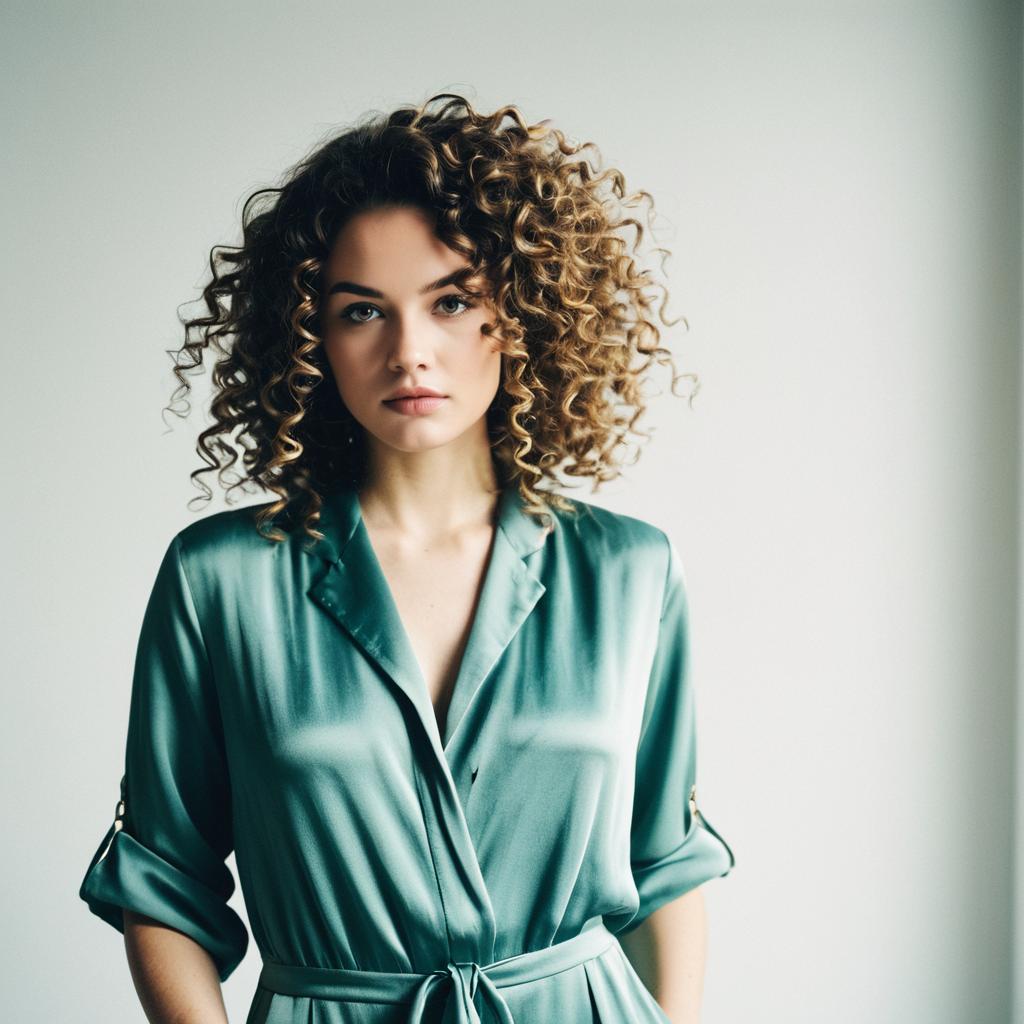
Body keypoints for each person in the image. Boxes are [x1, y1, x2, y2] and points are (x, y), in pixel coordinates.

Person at [78, 92, 735, 1024]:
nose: (409, 352)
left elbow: (665, 867)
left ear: (519, 314)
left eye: (453, 300)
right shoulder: (218, 579)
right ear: (309, 338)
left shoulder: (629, 572)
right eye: (360, 312)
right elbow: (160, 882)